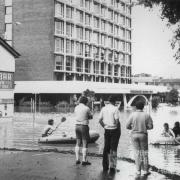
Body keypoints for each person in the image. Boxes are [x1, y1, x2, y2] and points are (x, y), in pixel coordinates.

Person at [126, 100, 153, 176]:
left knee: (137, 153)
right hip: (143, 135)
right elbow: (151, 126)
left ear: (135, 107)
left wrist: (133, 127)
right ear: (143, 107)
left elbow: (127, 126)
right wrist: (145, 126)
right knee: (144, 153)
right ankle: (146, 171)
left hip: (134, 135)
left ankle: (138, 171)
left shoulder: (132, 115)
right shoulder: (147, 115)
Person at [99, 96, 121, 173]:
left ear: (108, 101)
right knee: (113, 148)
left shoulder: (103, 108)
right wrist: (117, 129)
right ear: (114, 102)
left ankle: (105, 166)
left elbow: (100, 120)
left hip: (107, 130)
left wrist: (104, 126)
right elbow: (117, 121)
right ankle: (112, 166)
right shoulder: (115, 109)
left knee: (106, 148)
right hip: (114, 130)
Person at [74, 96, 93, 165]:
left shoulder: (76, 107)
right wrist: (90, 115)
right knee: (85, 143)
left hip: (77, 126)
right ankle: (84, 160)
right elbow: (91, 117)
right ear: (86, 102)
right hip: (84, 126)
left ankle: (77, 159)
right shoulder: (87, 108)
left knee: (78, 142)